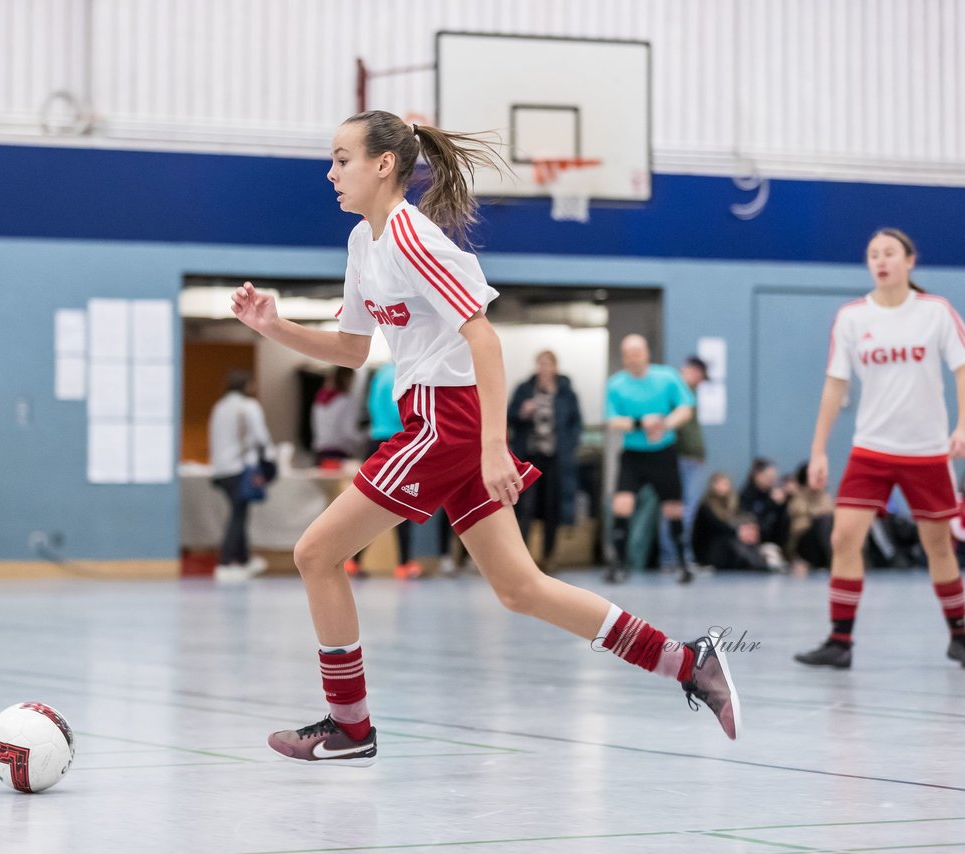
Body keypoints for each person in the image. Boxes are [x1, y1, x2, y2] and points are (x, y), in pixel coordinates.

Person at [230, 110, 739, 764]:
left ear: (384, 164)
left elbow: (484, 337)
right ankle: (687, 662)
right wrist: (275, 327)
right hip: (438, 421)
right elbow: (355, 350)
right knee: (520, 588)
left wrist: (494, 445)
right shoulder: (365, 243)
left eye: (341, 158)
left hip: (450, 420)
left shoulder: (416, 240)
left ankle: (350, 726)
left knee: (315, 553)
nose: (330, 173)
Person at [796, 228, 965, 670]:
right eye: (873, 254)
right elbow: (835, 384)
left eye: (889, 253)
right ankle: (839, 641)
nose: (880, 261)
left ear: (910, 260)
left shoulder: (936, 311)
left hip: (927, 451)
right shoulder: (852, 318)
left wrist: (963, 428)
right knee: (843, 536)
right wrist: (819, 448)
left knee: (939, 545)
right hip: (871, 449)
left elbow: (964, 372)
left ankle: (960, 637)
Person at [605, 335, 696, 584]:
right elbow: (612, 420)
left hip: (663, 453)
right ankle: (619, 564)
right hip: (633, 455)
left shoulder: (666, 377)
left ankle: (682, 564)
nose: (633, 357)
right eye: (628, 353)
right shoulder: (616, 384)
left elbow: (685, 408)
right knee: (622, 505)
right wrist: (640, 423)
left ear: (646, 352)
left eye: (637, 351)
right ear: (623, 357)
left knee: (673, 509)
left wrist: (664, 424)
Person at [344, 362, 420, 579]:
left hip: (375, 440)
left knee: (372, 505)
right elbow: (402, 412)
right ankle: (404, 563)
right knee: (402, 505)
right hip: (397, 441)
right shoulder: (405, 373)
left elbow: (370, 407)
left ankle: (353, 560)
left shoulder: (381, 374)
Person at [508, 350, 582, 572]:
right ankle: (522, 559)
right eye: (540, 363)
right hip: (529, 457)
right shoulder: (524, 389)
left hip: (555, 459)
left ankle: (549, 556)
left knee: (553, 507)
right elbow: (509, 416)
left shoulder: (566, 393)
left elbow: (576, 424)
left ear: (555, 367)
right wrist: (523, 412)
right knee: (525, 507)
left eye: (548, 364)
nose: (544, 368)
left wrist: (570, 447)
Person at [208, 370, 274, 582]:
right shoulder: (248, 406)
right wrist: (270, 461)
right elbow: (261, 437)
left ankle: (243, 560)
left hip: (221, 469)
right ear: (247, 385)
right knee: (238, 514)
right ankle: (226, 562)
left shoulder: (219, 407)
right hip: (239, 467)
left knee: (240, 512)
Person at [660, 356, 709, 568]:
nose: (700, 382)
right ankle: (674, 558)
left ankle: (677, 557)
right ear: (692, 370)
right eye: (699, 376)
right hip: (679, 457)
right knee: (677, 509)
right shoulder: (673, 390)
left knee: (682, 508)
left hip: (689, 458)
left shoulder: (689, 393)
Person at [691, 472, 771, 572]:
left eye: (725, 484)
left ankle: (758, 563)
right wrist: (739, 532)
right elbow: (717, 527)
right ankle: (756, 564)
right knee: (732, 539)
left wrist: (748, 529)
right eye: (718, 484)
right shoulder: (706, 506)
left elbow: (743, 517)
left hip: (724, 547)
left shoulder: (732, 505)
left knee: (744, 533)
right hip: (708, 551)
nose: (721, 487)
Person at [738, 458, 791, 568]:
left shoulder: (774, 494)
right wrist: (771, 504)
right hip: (754, 540)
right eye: (768, 476)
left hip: (774, 539)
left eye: (774, 477)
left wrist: (781, 505)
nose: (772, 480)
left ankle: (782, 555)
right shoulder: (746, 494)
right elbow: (751, 520)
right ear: (757, 475)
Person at [787, 461, 835, 572]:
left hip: (824, 541)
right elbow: (798, 528)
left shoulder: (825, 497)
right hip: (803, 543)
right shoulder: (796, 497)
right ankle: (832, 562)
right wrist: (818, 516)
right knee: (823, 521)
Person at [311, 366, 362, 466]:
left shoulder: (318, 401)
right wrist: (365, 437)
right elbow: (349, 432)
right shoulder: (346, 400)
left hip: (320, 454)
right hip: (338, 455)